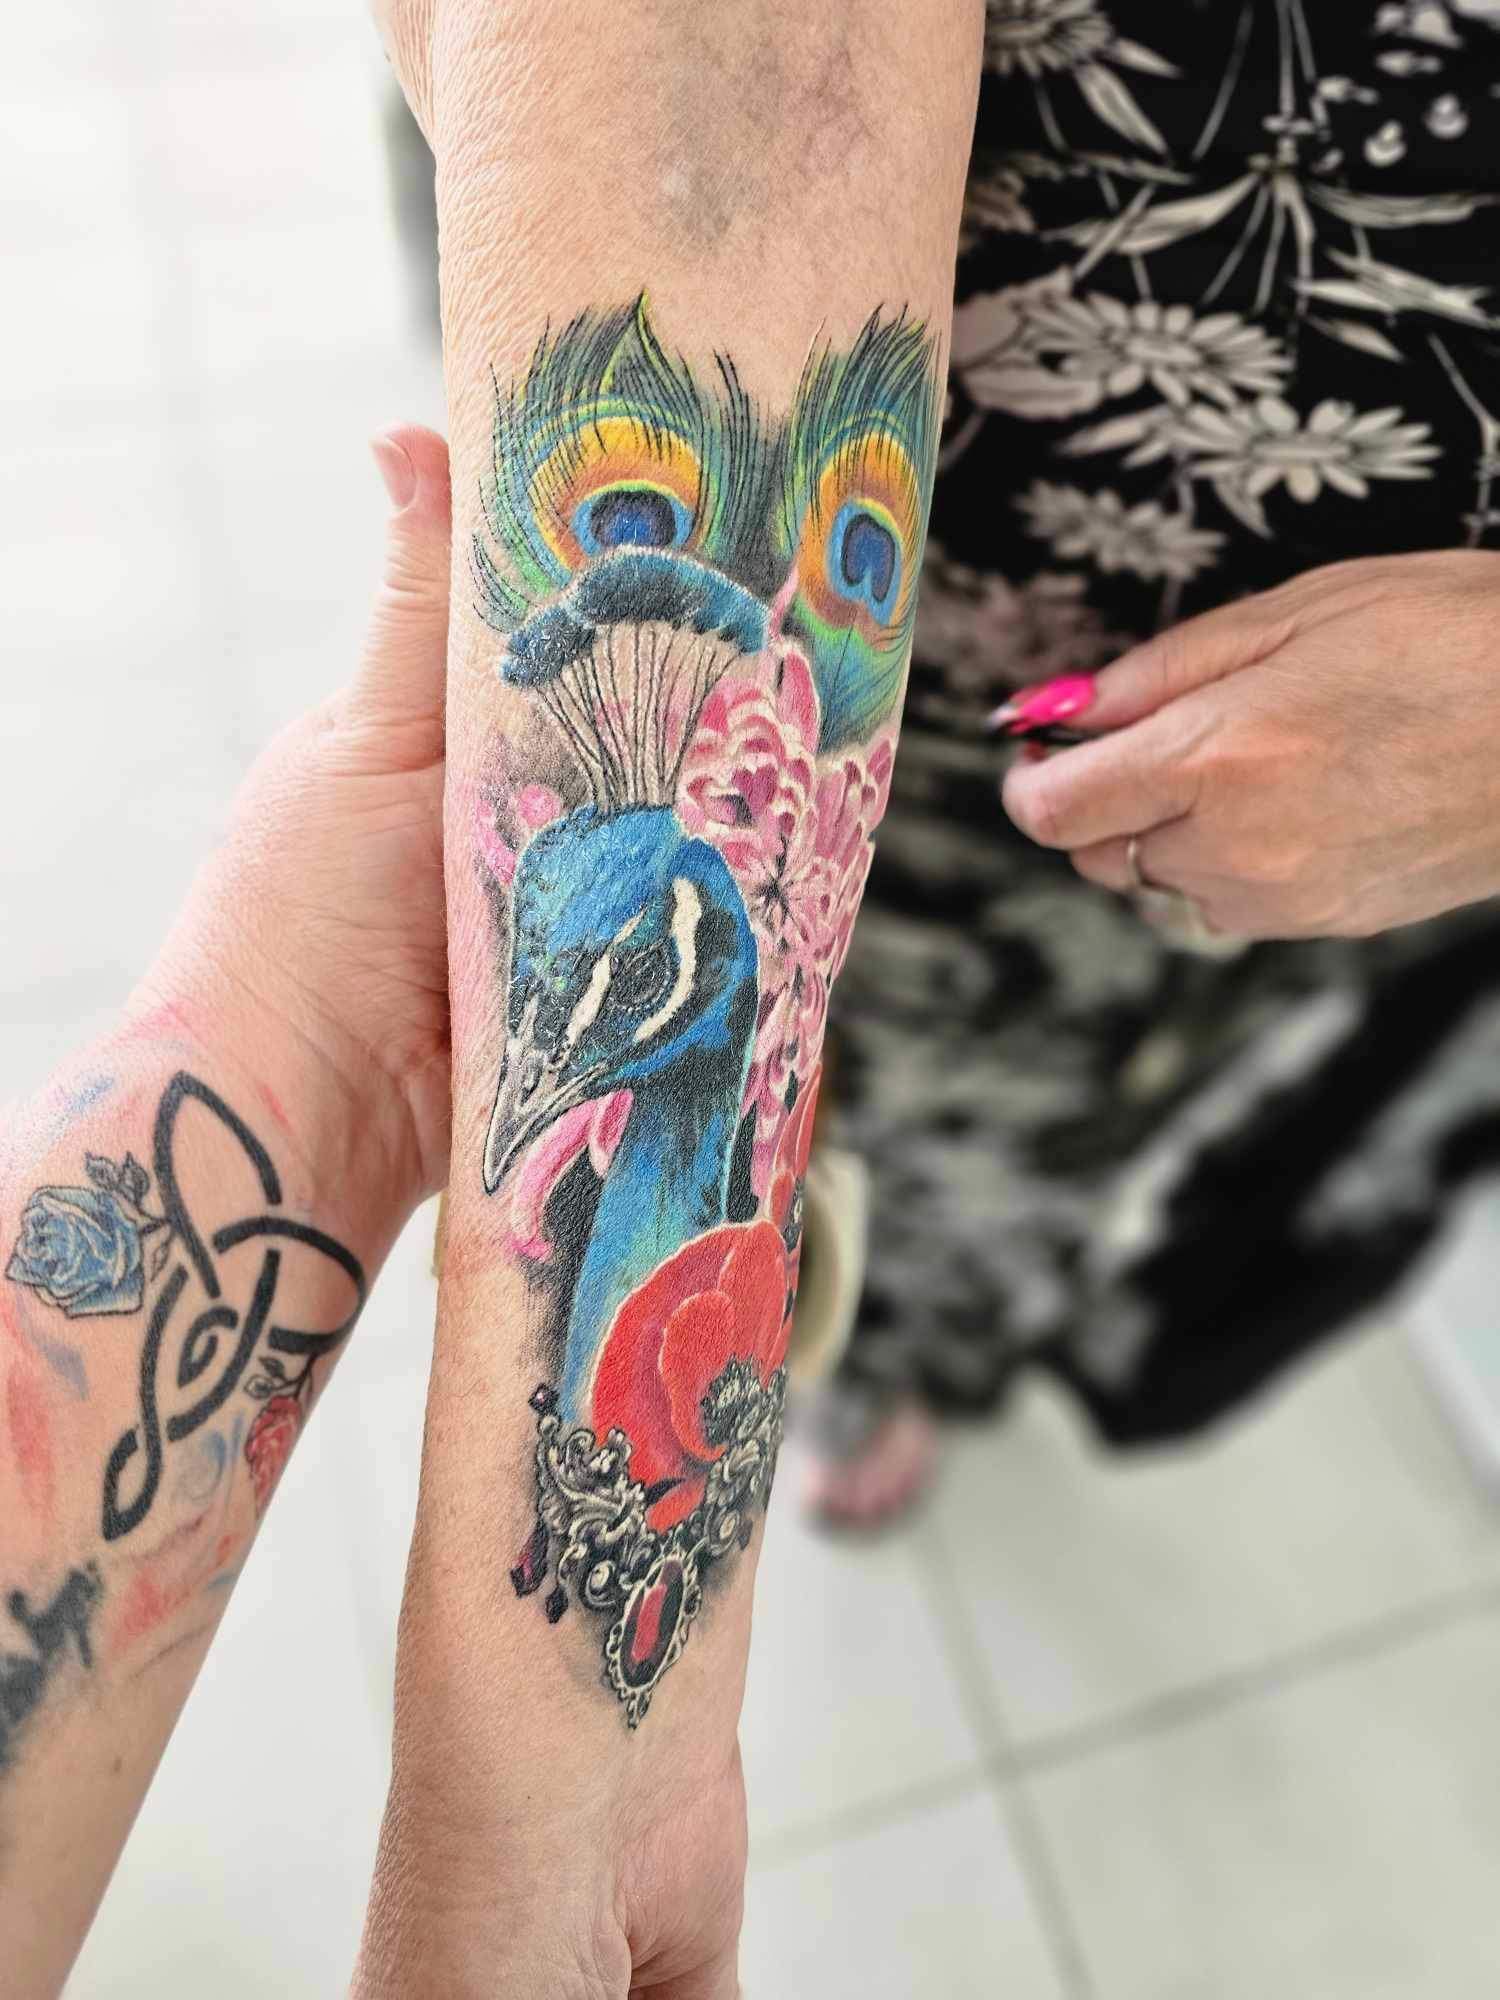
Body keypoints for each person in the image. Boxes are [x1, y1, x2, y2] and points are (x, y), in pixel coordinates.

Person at [8, 6, 1500, 1998]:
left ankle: (898, 1350)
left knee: (1022, 1129)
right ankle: (834, 1349)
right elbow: (729, 94)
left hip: (1303, 765)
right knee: (770, 1099)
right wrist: (550, 1767)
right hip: (968, 600)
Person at [805, 0, 1500, 1524]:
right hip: (898, 707)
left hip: (1426, 805)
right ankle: (876, 1363)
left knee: (1141, 1125)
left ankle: (937, 1352)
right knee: (887, 1117)